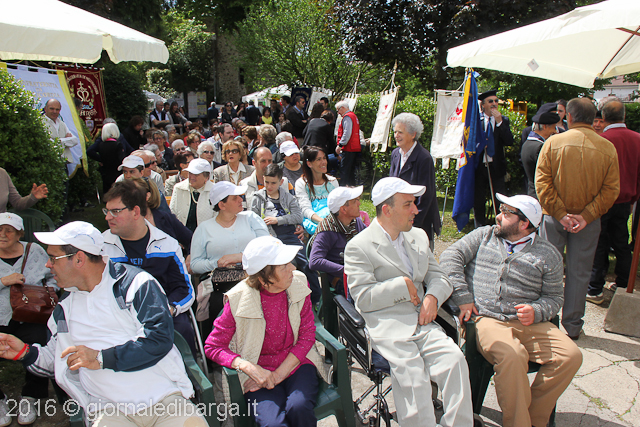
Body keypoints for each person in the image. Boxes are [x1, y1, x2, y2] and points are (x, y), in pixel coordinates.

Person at [0, 221, 207, 427]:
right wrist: (24, 352)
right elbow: (57, 359)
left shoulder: (135, 284)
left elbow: (158, 340)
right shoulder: (64, 308)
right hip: (107, 409)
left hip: (164, 400)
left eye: (53, 258)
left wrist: (100, 358)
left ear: (79, 259)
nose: (47, 265)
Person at [440, 194, 581, 427]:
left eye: (506, 212)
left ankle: (533, 418)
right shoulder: (484, 235)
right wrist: (463, 297)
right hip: (487, 319)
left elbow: (555, 298)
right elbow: (450, 257)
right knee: (512, 356)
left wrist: (536, 310)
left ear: (524, 224)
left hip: (531, 324)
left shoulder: (549, 254)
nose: (499, 216)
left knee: (571, 356)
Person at [344, 177, 473, 427]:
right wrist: (403, 286)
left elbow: (439, 277)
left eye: (414, 203)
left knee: (455, 362)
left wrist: (432, 297)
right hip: (387, 326)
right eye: (408, 204)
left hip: (422, 322)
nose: (416, 210)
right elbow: (364, 298)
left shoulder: (418, 236)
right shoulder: (358, 247)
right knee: (414, 379)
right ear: (386, 209)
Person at [205, 236, 326, 427]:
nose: (293, 268)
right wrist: (248, 367)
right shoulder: (238, 300)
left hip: (297, 363)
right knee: (272, 423)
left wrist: (277, 376)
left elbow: (307, 335)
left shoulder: (299, 283)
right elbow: (213, 347)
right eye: (284, 266)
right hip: (258, 374)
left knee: (299, 407)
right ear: (263, 278)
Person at [535, 97, 620, 340]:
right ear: (594, 119)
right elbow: (611, 190)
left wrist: (561, 214)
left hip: (554, 218)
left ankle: (546, 321)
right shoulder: (607, 148)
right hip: (587, 221)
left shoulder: (553, 143)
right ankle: (572, 326)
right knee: (580, 273)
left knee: (547, 270)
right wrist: (586, 216)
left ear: (569, 117)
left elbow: (542, 183)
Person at [101, 181, 196, 354]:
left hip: (163, 313)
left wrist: (169, 308)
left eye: (115, 211)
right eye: (107, 211)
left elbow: (183, 288)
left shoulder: (167, 245)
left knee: (183, 330)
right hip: (117, 317)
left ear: (136, 212)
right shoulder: (101, 248)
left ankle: (188, 371)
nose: (108, 217)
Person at [190, 182, 269, 338]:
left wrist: (239, 257)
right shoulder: (204, 229)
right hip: (221, 284)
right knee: (218, 304)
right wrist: (218, 263)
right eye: (235, 198)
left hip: (253, 278)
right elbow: (195, 264)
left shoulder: (250, 218)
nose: (241, 200)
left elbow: (267, 246)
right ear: (222, 205)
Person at [0, 213, 55, 426]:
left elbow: (53, 276)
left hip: (32, 314)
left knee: (39, 343)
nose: (3, 235)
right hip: (1, 318)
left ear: (19, 234)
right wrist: (4, 281)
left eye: (9, 230)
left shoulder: (34, 250)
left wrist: (48, 294)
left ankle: (30, 396)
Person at [588, 98, 640, 303]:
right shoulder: (637, 139)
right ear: (624, 116)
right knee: (621, 242)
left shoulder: (601, 140)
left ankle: (595, 288)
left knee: (599, 242)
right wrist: (633, 197)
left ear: (603, 117)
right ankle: (624, 283)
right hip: (626, 200)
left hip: (602, 200)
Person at [250, 164, 319, 304]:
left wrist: (278, 220)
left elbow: (298, 216)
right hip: (269, 238)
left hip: (290, 236)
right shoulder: (257, 198)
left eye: (273, 183)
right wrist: (264, 234)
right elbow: (253, 220)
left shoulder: (288, 197)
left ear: (281, 182)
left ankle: (315, 298)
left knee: (307, 264)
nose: (269, 186)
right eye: (266, 182)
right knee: (277, 267)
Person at [389, 112, 440, 249]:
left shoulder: (424, 158)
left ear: (413, 134)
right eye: (395, 132)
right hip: (399, 218)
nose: (396, 135)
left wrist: (413, 223)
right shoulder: (395, 154)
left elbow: (426, 196)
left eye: (400, 132)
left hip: (418, 220)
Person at [308, 186, 366, 298]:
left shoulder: (356, 222)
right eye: (355, 201)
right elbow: (315, 261)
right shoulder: (327, 231)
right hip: (341, 278)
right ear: (343, 209)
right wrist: (345, 271)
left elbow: (369, 240)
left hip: (358, 269)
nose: (359, 203)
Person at [474, 90, 514, 227]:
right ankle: (479, 227)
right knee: (479, 200)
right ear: (483, 105)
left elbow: (509, 141)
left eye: (496, 101)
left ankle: (501, 226)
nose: (494, 104)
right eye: (490, 101)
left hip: (496, 167)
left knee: (499, 199)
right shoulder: (477, 120)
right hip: (480, 166)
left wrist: (499, 123)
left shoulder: (503, 120)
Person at [130, 177, 192, 256]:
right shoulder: (126, 221)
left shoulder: (166, 218)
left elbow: (192, 239)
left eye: (133, 194)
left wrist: (190, 256)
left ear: (147, 196)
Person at [295, 146, 339, 234]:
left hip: (334, 220)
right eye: (319, 159)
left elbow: (338, 205)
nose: (324, 162)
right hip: (314, 223)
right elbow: (305, 209)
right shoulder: (301, 183)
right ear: (309, 164)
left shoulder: (332, 181)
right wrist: (324, 222)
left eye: (324, 158)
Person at [521, 103, 560, 198]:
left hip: (534, 192)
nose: (555, 131)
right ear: (545, 127)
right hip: (541, 195)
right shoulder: (539, 147)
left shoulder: (528, 143)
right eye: (553, 127)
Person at [170, 159, 215, 232]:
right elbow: (172, 213)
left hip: (207, 234)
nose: (192, 177)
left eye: (196, 174)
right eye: (190, 173)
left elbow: (217, 218)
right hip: (182, 235)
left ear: (206, 177)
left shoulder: (214, 191)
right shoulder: (178, 188)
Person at [87, 123, 127, 193]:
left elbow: (90, 151)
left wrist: (101, 159)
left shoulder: (101, 144)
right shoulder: (118, 144)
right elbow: (121, 159)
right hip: (116, 171)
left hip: (106, 171)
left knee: (107, 190)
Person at [42, 99, 79, 166]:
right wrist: (66, 140)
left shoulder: (61, 123)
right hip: (48, 164)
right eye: (52, 109)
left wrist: (58, 141)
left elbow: (75, 140)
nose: (54, 111)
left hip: (63, 163)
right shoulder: (41, 123)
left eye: (57, 109)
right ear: (45, 109)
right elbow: (48, 143)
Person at [335, 100, 362, 187]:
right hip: (354, 147)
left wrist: (340, 145)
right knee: (350, 171)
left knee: (344, 170)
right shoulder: (353, 116)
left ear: (342, 108)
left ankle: (342, 188)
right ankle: (351, 188)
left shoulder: (347, 117)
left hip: (349, 147)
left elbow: (347, 133)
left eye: (338, 110)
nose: (338, 113)